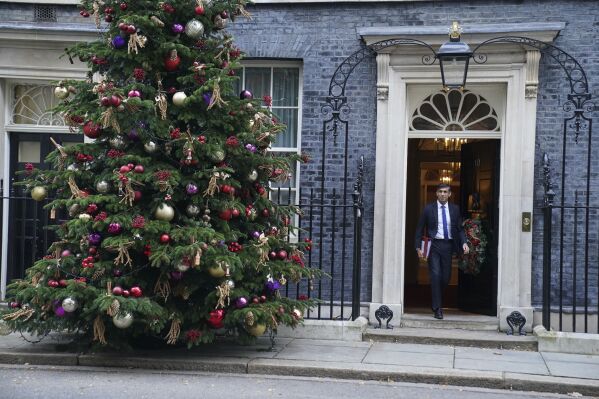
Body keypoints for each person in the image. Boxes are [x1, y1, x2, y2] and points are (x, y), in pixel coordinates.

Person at [415, 183, 469, 319]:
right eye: (440, 192)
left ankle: (436, 296)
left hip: (449, 246)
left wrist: (464, 242)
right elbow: (419, 229)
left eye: (445, 192)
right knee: (435, 275)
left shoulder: (455, 209)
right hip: (434, 246)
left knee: (446, 277)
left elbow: (459, 228)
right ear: (436, 194)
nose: (443, 194)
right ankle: (437, 308)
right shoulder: (428, 209)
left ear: (450, 194)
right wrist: (418, 247)